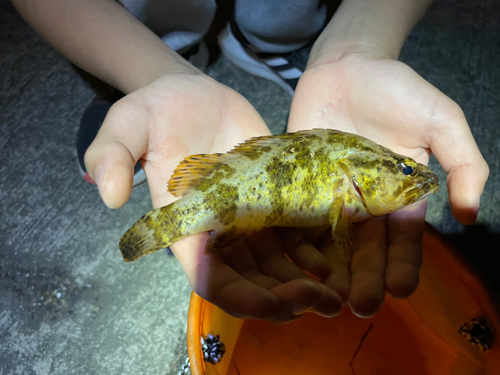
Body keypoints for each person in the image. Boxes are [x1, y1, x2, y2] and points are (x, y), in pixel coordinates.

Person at [12, 0, 488, 323]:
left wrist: (358, 41)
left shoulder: (357, 178)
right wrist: (148, 74)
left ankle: (274, 38)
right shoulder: (354, 186)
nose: (416, 176)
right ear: (360, 175)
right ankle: (150, 71)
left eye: (405, 171)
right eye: (403, 171)